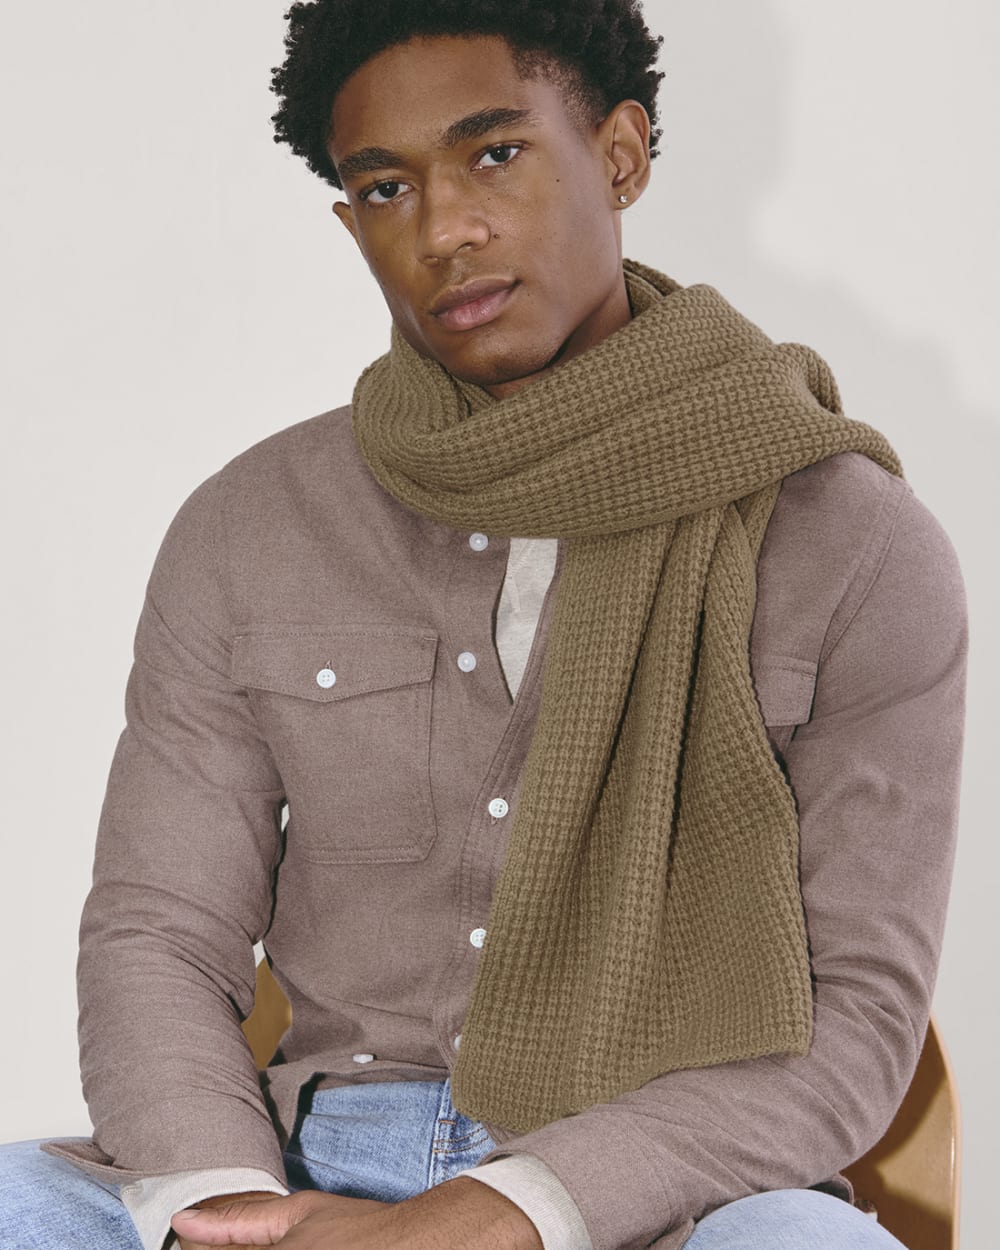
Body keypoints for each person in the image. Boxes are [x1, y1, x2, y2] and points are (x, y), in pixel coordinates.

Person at [0, 1, 967, 1248]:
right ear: (350, 223)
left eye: (494, 154)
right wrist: (227, 1204)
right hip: (305, 1170)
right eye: (386, 188)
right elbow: (158, 931)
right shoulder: (251, 526)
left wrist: (509, 1206)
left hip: (669, 1194)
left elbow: (857, 1020)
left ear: (619, 154)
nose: (443, 228)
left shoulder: (852, 543)